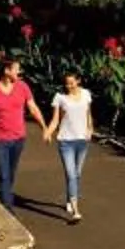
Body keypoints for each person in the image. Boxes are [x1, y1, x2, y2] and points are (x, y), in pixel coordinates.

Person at [0, 56, 43, 211]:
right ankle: (7, 208)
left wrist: (44, 127)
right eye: (17, 69)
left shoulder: (23, 87)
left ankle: (5, 195)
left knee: (10, 174)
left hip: (18, 139)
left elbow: (33, 108)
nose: (20, 72)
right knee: (3, 175)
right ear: (7, 71)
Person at [46, 71, 95, 223]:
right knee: (71, 174)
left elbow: (88, 113)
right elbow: (55, 120)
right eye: (67, 83)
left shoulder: (86, 94)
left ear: (78, 81)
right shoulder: (60, 98)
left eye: (72, 82)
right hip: (66, 141)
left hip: (82, 140)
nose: (69, 86)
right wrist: (48, 132)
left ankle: (69, 198)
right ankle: (76, 210)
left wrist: (90, 128)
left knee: (77, 173)